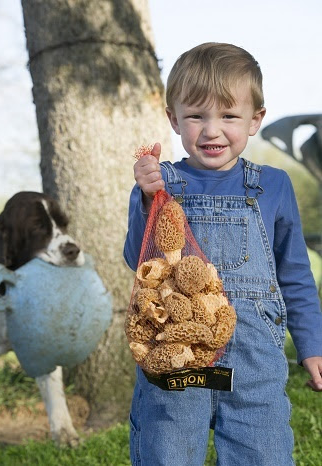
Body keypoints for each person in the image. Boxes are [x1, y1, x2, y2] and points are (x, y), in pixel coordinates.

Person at [123, 42, 322, 466]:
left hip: (254, 359)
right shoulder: (161, 183)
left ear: (255, 120)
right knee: (168, 450)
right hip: (176, 351)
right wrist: (148, 198)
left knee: (264, 451)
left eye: (229, 115)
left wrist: (312, 345)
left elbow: (296, 276)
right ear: (174, 119)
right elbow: (138, 262)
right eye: (196, 115)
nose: (212, 130)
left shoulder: (273, 186)